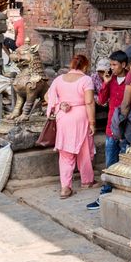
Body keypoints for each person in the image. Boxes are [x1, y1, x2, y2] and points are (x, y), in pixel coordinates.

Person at [46, 54, 97, 199]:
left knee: (65, 153)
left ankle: (65, 188)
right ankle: (87, 181)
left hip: (63, 117)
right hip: (80, 117)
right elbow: (89, 102)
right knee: (84, 150)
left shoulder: (58, 79)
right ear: (85, 66)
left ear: (71, 65)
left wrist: (60, 104)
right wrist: (92, 122)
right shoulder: (86, 80)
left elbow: (47, 97)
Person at [87, 49, 131, 209]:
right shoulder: (111, 80)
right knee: (110, 163)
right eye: (110, 64)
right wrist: (105, 83)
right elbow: (102, 100)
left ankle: (123, 194)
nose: (111, 67)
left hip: (127, 129)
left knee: (126, 164)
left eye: (114, 64)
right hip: (111, 128)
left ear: (124, 65)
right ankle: (105, 193)